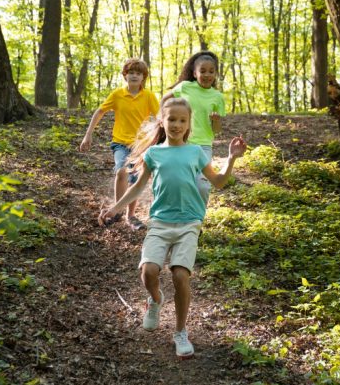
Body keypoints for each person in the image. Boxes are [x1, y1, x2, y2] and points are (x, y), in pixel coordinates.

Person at [98, 97, 247, 359]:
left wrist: (232, 158)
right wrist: (115, 207)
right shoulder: (154, 153)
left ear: (189, 124)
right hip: (160, 222)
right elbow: (138, 186)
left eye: (182, 120)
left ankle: (180, 332)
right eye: (172, 119)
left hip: (189, 222)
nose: (177, 124)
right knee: (148, 271)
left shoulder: (195, 153)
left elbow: (219, 182)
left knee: (180, 275)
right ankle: (155, 300)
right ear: (162, 122)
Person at [79, 58, 159, 230]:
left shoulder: (149, 96)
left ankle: (131, 216)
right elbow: (100, 111)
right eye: (131, 73)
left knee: (135, 179)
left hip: (141, 145)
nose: (134, 76)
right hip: (120, 143)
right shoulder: (117, 95)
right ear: (125, 75)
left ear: (143, 77)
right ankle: (116, 210)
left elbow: (160, 118)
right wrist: (88, 134)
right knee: (121, 171)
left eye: (138, 73)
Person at [163, 51, 226, 203]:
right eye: (202, 71)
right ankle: (177, 215)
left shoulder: (217, 97)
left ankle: (198, 221)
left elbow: (217, 130)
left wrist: (216, 121)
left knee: (202, 187)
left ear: (215, 74)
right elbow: (165, 99)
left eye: (211, 71)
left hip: (204, 146)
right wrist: (162, 119)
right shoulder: (185, 87)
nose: (207, 75)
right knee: (179, 183)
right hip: (181, 143)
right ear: (195, 73)